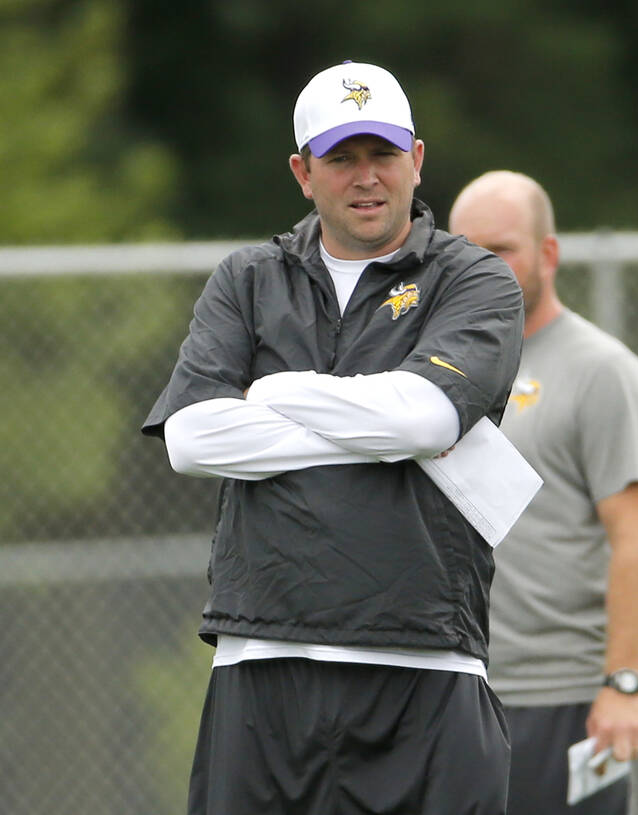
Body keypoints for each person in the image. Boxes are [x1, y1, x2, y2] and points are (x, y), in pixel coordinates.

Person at [141, 61, 524, 815]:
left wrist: (278, 392)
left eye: (382, 154)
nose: (366, 177)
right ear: (301, 172)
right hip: (264, 664)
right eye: (341, 157)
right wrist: (378, 427)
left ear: (416, 159)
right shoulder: (247, 279)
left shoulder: (473, 280)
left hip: (428, 662)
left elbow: (427, 418)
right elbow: (191, 438)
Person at [448, 171, 638, 814]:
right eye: (466, 250)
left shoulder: (603, 373)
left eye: (503, 248)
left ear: (548, 254)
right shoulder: (436, 371)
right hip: (455, 692)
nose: (482, 266)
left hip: (560, 700)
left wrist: (623, 684)